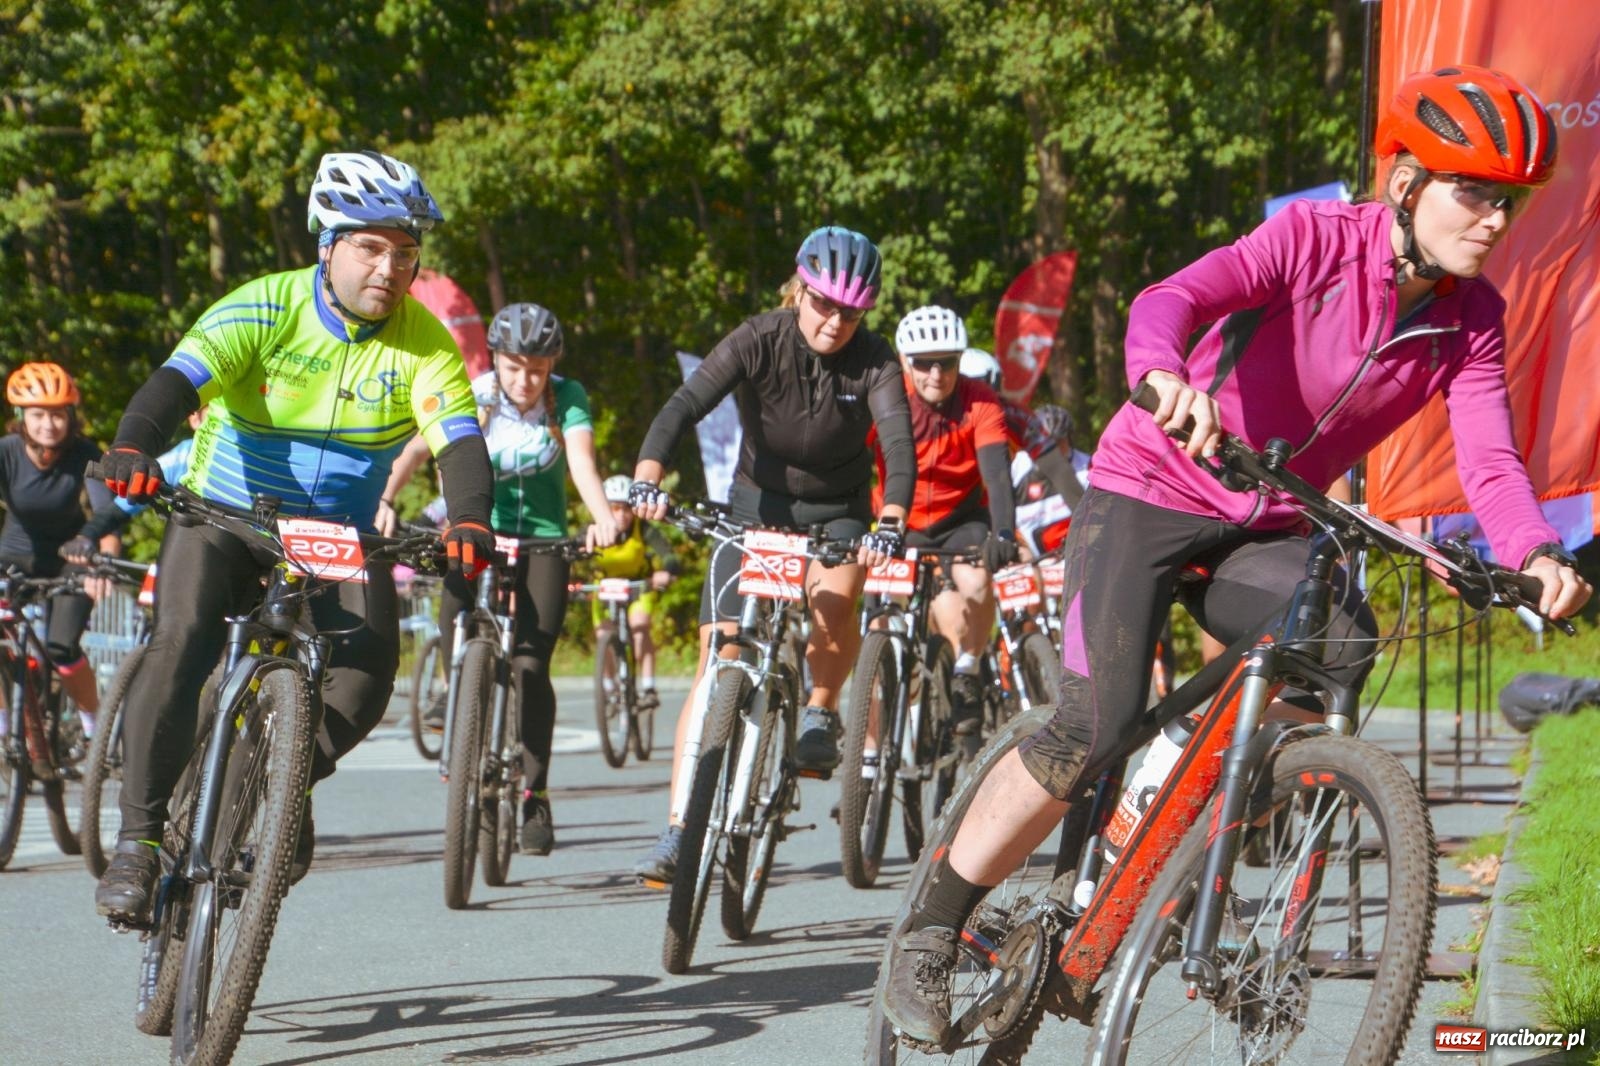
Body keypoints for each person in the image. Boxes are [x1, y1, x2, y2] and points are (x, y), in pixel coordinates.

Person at [880, 64, 1593, 1043]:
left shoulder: (1468, 321)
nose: (1490, 219)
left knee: (1340, 641)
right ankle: (930, 930)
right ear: (1404, 183)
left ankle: (1170, 829)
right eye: (1470, 191)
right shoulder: (1310, 242)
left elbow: (1490, 459)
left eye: (1505, 202)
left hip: (1266, 520)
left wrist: (1534, 553)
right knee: (1091, 721)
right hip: (1150, 488)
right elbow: (1169, 300)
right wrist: (1162, 375)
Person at [92, 149, 497, 925]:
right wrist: (136, 443)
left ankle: (276, 782)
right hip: (226, 514)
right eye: (371, 247)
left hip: (335, 538)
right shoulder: (264, 306)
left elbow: (459, 444)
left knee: (369, 674)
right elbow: (175, 385)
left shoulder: (426, 344)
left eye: (406, 253)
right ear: (327, 245)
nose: (390, 268)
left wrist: (471, 519)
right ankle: (139, 845)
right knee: (181, 646)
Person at [627, 225, 914, 882]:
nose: (836, 321)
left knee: (833, 608)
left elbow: (898, 446)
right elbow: (685, 404)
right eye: (824, 304)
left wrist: (891, 519)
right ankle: (679, 830)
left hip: (839, 512)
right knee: (718, 655)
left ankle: (817, 708)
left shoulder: (875, 360)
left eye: (851, 310)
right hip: (758, 507)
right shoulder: (759, 337)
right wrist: (648, 472)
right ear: (800, 289)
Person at [382, 300, 619, 855]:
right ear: (496, 360)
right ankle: (450, 686)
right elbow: (418, 446)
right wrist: (386, 497)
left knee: (531, 666)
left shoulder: (569, 397)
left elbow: (582, 461)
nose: (525, 380)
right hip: (479, 531)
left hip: (543, 537)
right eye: (514, 367)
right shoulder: (476, 392)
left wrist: (602, 516)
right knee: (456, 601)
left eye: (537, 369)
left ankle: (534, 793)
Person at [877, 308, 1016, 733]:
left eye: (947, 362)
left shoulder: (980, 400)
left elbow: (996, 472)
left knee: (976, 583)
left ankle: (967, 670)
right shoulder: (889, 396)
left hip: (961, 517)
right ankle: (865, 765)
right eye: (923, 362)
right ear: (905, 362)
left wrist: (1005, 532)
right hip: (900, 518)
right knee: (878, 626)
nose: (936, 373)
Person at [0, 363, 125, 742]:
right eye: (39, 415)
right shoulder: (6, 452)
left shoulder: (85, 454)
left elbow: (108, 516)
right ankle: (4, 717)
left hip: (70, 562)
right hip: (12, 558)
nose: (49, 424)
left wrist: (102, 565)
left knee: (62, 647)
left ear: (70, 416)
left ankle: (93, 721)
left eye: (58, 415)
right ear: (22, 417)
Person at [589, 474, 680, 710]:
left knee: (639, 631)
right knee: (603, 637)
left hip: (639, 585)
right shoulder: (595, 527)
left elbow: (667, 553)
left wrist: (667, 571)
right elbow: (576, 549)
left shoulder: (644, 529)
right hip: (605, 587)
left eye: (627, 509)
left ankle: (648, 687)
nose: (621, 515)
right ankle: (609, 690)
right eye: (615, 508)